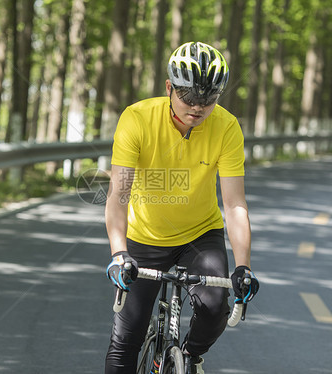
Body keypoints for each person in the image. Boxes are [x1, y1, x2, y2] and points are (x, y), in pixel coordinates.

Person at [104, 41, 259, 374]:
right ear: (168, 87)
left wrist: (243, 267)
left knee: (216, 303)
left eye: (208, 100)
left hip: (199, 234)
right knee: (124, 346)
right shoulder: (137, 119)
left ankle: (190, 356)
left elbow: (234, 205)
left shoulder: (227, 127)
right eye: (189, 97)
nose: (198, 108)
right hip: (145, 236)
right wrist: (119, 254)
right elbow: (119, 196)